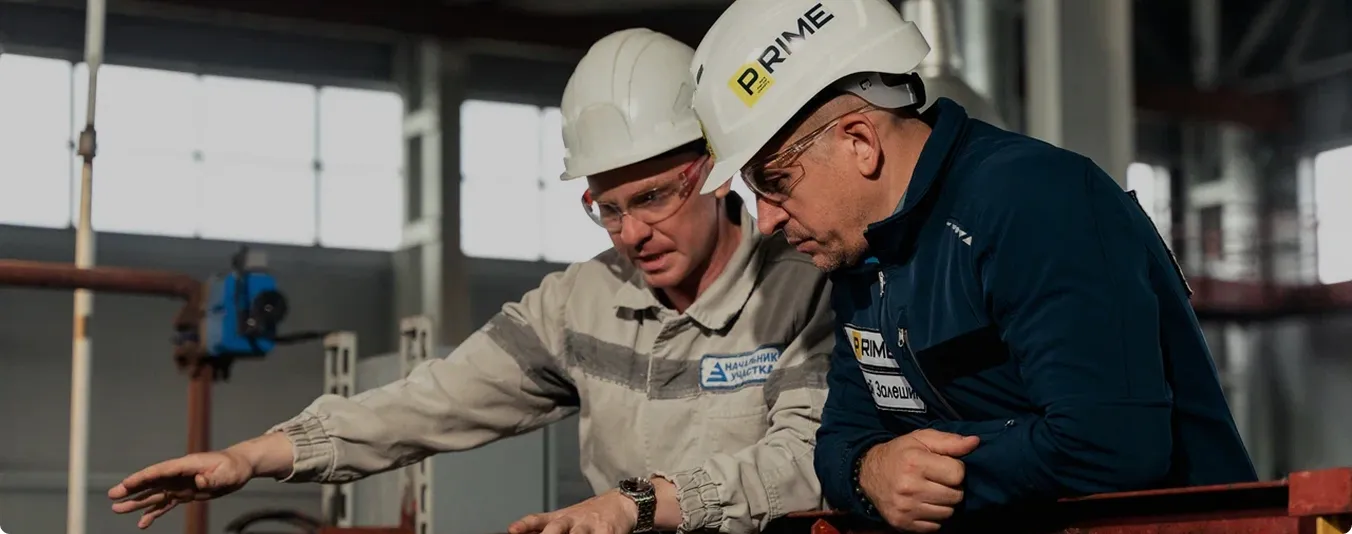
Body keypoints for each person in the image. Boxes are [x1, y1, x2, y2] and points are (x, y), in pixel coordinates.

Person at [107, 28, 835, 534]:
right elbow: (429, 400)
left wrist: (638, 505)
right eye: (606, 209)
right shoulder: (578, 306)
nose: (630, 233)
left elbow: (806, 460)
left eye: (651, 199)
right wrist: (250, 457)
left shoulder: (805, 289)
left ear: (713, 172)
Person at [686, 0, 1258, 531]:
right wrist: (870, 472)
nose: (766, 221)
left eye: (775, 182)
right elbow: (840, 441)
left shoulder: (1034, 203)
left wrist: (921, 469)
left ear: (860, 141)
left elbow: (1113, 444)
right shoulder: (865, 257)